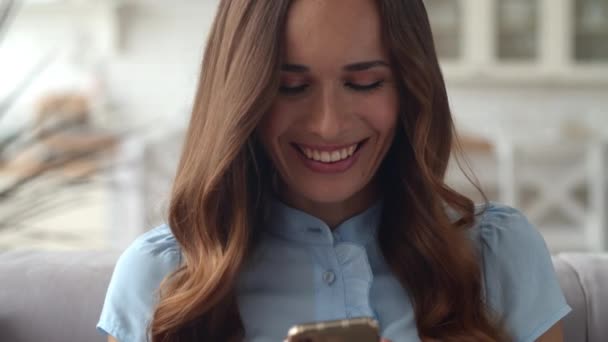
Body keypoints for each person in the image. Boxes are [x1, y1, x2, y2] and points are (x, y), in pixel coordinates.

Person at [96, 0, 571, 341]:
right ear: (242, 98)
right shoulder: (160, 279)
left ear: (409, 85)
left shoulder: (497, 254)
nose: (328, 125)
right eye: (292, 87)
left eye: (364, 83)